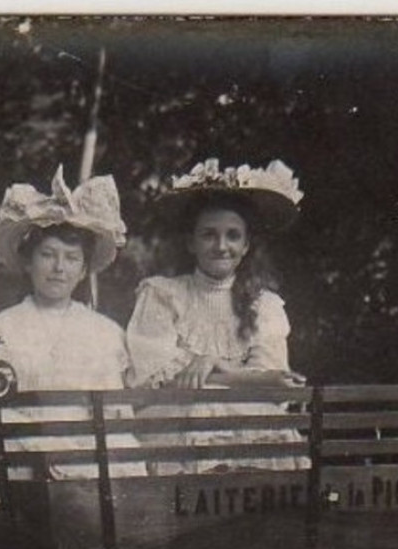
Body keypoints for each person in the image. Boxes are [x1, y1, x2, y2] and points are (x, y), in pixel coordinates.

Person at [124, 158, 309, 473]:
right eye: (209, 234)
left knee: (268, 427)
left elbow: (273, 383)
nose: (221, 246)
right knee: (200, 411)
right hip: (177, 424)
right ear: (191, 243)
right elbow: (153, 372)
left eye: (233, 235)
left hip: (248, 425)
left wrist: (211, 363)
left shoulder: (264, 305)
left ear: (247, 244)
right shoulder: (163, 294)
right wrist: (233, 375)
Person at [0, 168, 142, 480]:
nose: (59, 268)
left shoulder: (105, 332)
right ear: (28, 262)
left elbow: (114, 410)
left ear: (84, 270)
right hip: (26, 445)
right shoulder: (4, 327)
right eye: (48, 255)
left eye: (71, 258)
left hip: (89, 444)